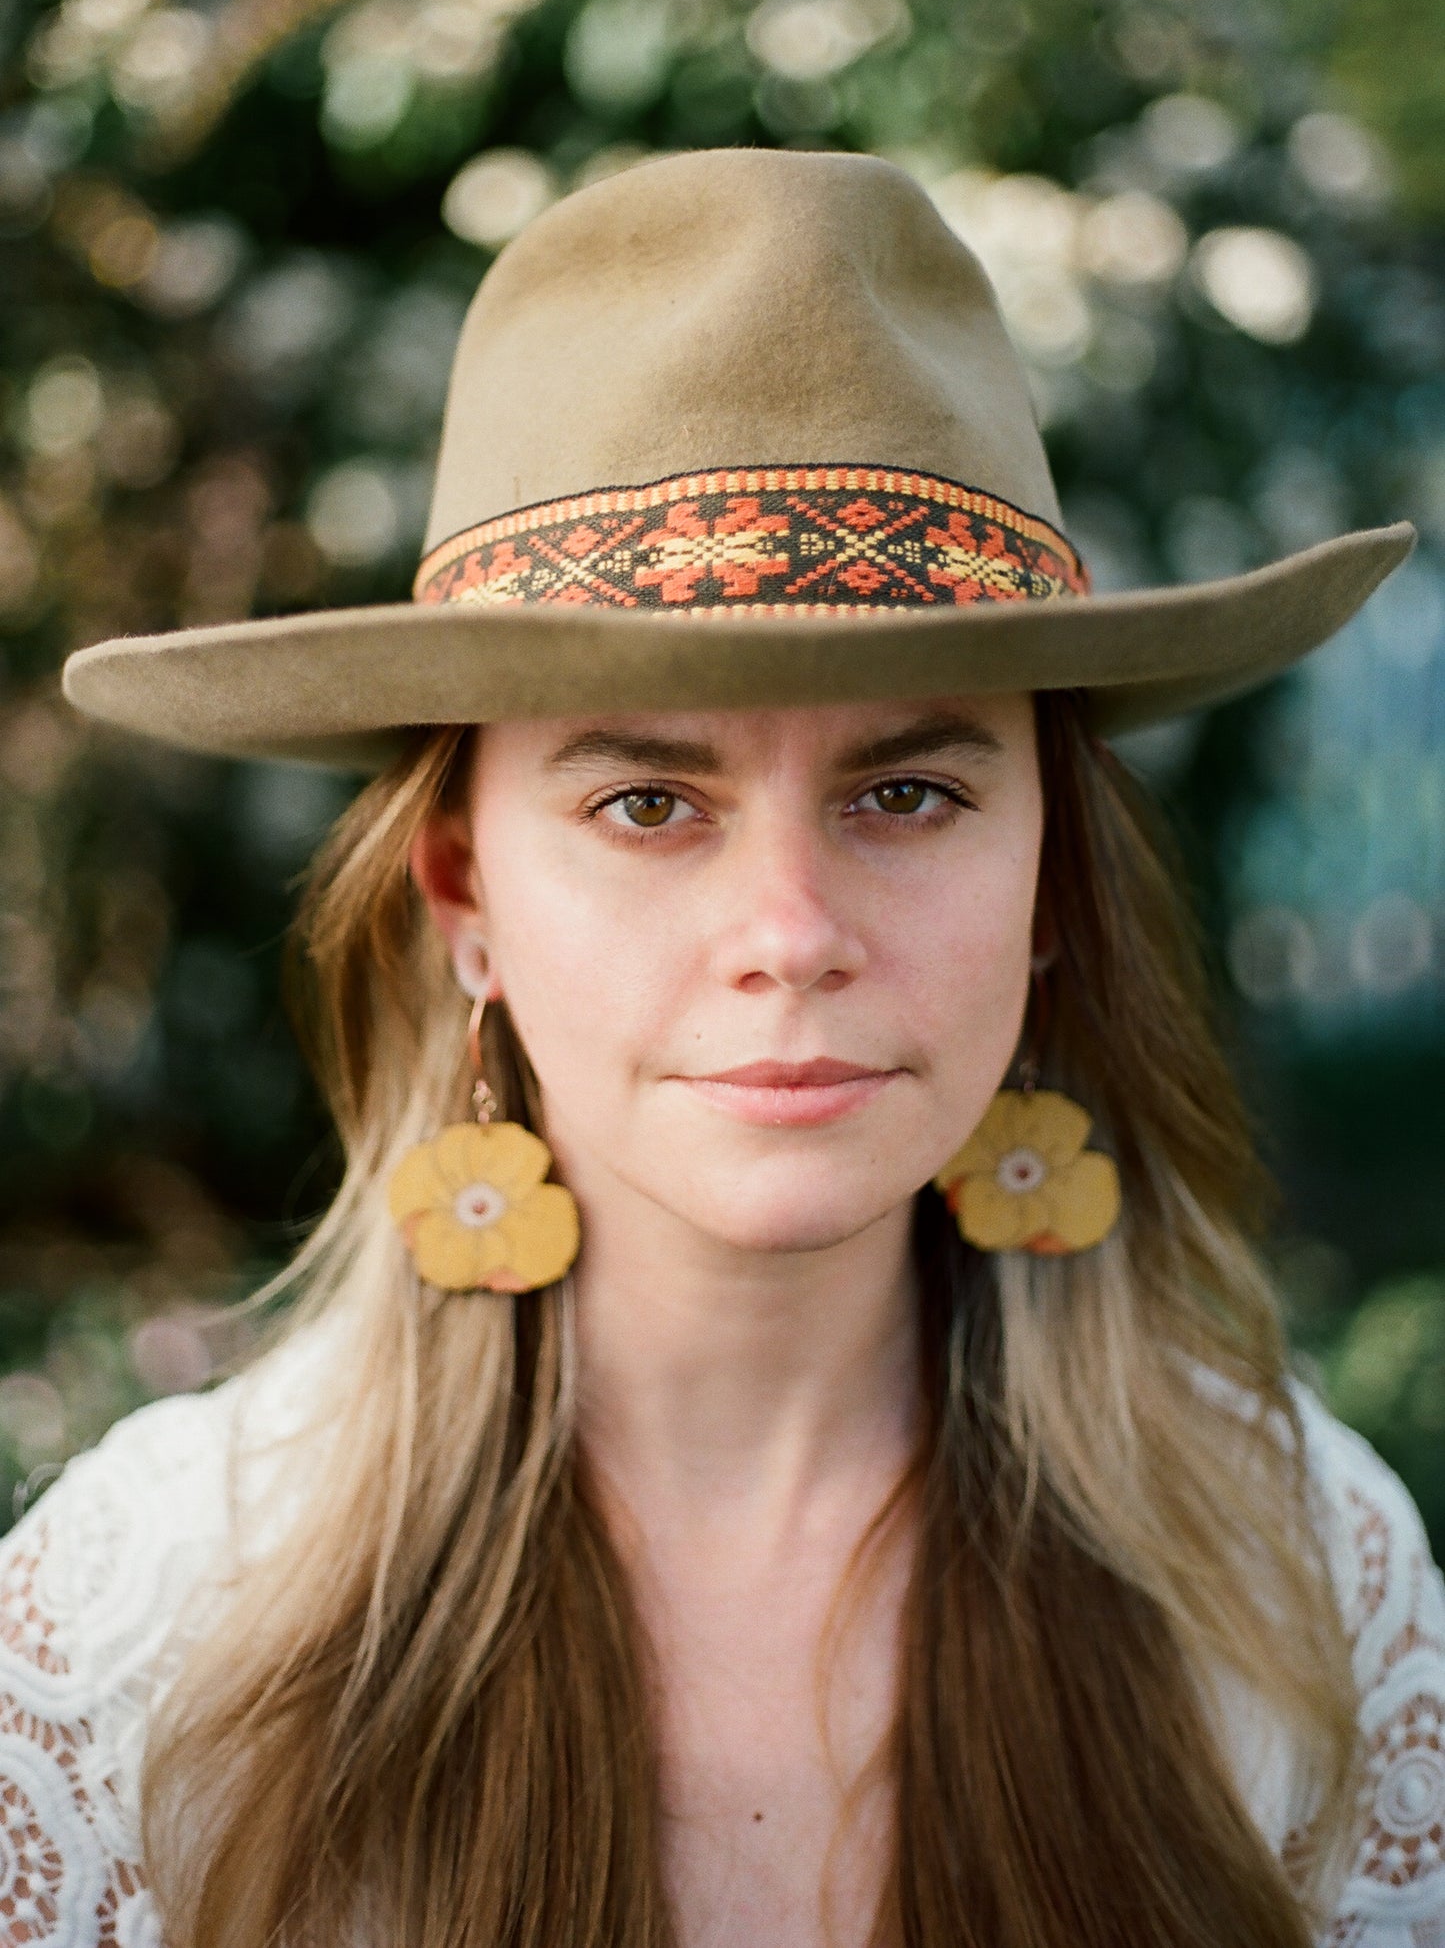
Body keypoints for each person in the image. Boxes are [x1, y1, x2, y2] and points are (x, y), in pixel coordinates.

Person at [4, 148, 1440, 1948]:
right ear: (463, 895)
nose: (788, 935)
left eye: (907, 790)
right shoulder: (153, 1627)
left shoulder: (1296, 1580)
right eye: (645, 801)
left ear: (1050, 873)